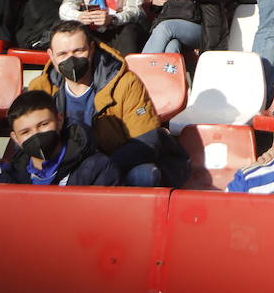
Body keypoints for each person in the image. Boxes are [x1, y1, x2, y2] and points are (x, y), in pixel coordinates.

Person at [28, 20, 188, 187]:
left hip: (115, 165)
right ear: (51, 56)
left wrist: (95, 169)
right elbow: (27, 142)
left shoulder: (126, 83)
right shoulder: (39, 88)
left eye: (78, 51)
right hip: (63, 169)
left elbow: (147, 141)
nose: (71, 59)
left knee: (145, 174)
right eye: (62, 54)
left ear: (91, 49)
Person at [0, 90, 119, 186]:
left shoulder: (97, 168)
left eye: (43, 125)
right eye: (25, 132)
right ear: (15, 138)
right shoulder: (9, 178)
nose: (36, 135)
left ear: (59, 121)